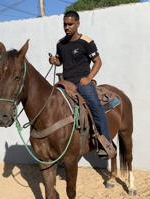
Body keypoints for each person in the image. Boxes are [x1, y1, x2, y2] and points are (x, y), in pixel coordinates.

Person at [49, 10, 116, 159]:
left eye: (70, 24)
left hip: (82, 82)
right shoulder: (60, 44)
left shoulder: (87, 42)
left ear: (78, 24)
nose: (67, 27)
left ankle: (106, 144)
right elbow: (60, 61)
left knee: (96, 108)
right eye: (65, 24)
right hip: (65, 82)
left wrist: (88, 77)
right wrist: (55, 61)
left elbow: (98, 62)